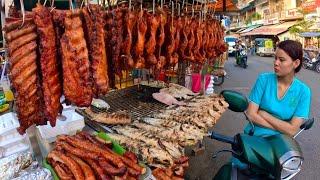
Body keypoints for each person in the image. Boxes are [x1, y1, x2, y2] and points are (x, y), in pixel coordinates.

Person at [246, 40, 311, 137]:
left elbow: (293, 130)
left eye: (281, 60)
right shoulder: (264, 80)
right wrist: (284, 129)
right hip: (253, 137)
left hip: (281, 143)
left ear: (296, 63)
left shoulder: (303, 92)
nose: (276, 63)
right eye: (275, 58)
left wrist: (264, 114)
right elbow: (250, 114)